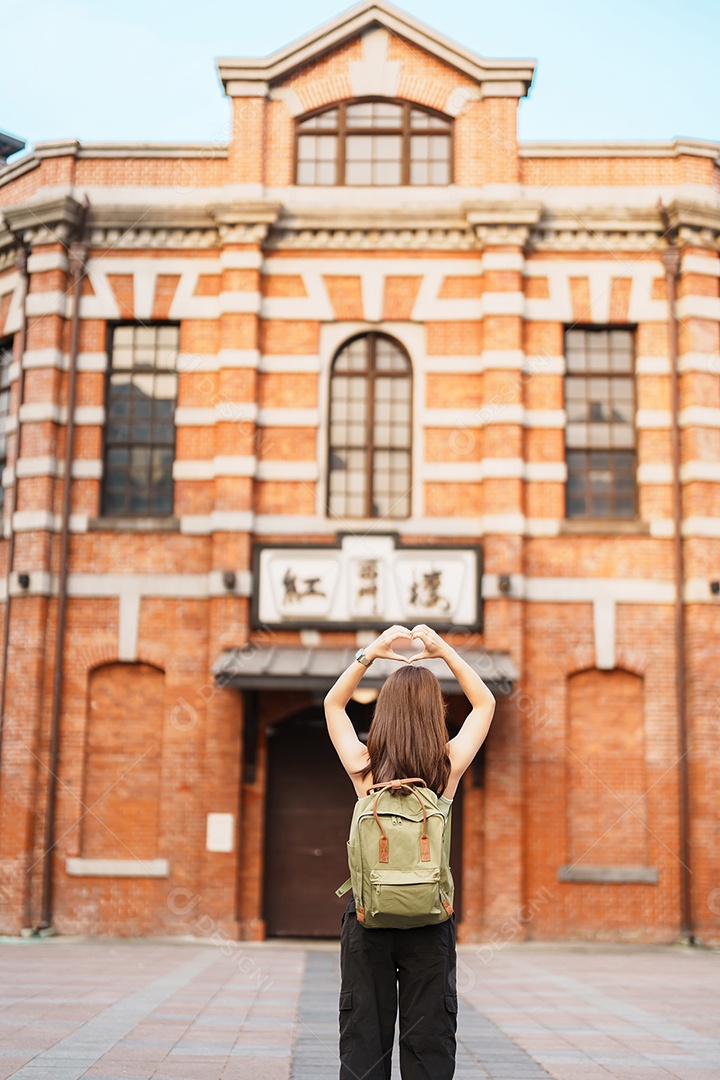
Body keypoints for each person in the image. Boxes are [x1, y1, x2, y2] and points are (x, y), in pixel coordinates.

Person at [324, 623, 496, 1080]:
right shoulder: (446, 767)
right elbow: (485, 702)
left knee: (364, 1036)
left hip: (367, 918)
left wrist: (372, 653)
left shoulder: (364, 769)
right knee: (429, 1041)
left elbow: (333, 703)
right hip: (430, 921)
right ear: (434, 714)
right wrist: (443, 652)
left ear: (383, 714)